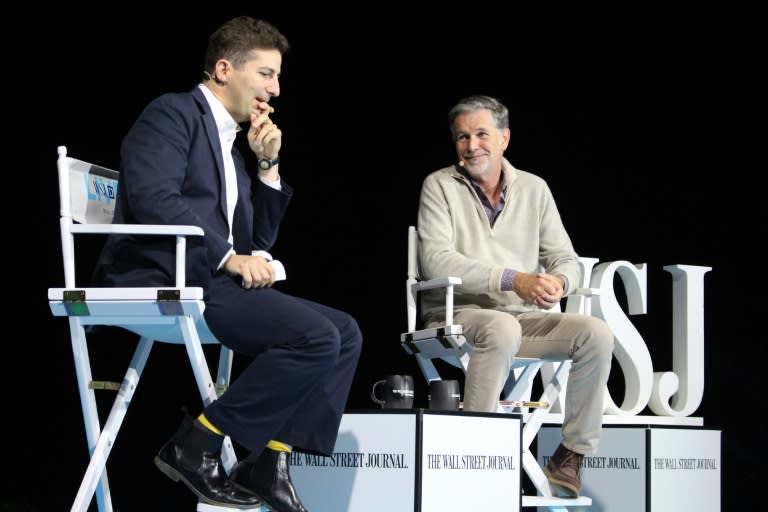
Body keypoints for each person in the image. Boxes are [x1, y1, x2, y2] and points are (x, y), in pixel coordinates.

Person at [91, 16, 363, 511]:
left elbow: (260, 237)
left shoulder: (234, 144)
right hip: (167, 273)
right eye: (265, 74)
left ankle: (268, 462)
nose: (274, 90)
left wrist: (267, 165)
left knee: (344, 332)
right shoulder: (171, 114)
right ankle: (199, 440)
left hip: (215, 279)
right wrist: (227, 256)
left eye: (277, 77)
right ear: (223, 69)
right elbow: (153, 196)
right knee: (314, 337)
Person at [416, 94, 614, 498]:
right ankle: (476, 453)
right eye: (462, 137)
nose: (472, 146)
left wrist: (560, 281)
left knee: (595, 333)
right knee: (501, 327)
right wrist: (513, 279)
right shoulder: (439, 185)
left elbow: (567, 258)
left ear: (505, 138)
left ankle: (571, 454)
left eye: (482, 134)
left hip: (519, 320)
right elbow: (436, 261)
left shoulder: (535, 189)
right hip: (455, 315)